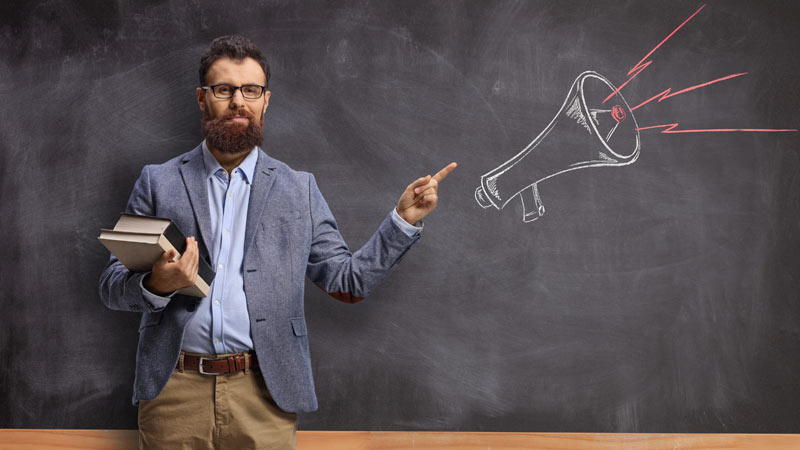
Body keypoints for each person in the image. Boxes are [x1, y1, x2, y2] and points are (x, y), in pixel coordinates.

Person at [98, 35, 456, 449]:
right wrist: (157, 284)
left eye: (251, 90)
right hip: (173, 393)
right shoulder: (158, 182)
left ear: (265, 101)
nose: (238, 101)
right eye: (224, 89)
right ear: (202, 98)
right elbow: (112, 285)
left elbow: (348, 281)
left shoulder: (299, 190)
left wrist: (402, 221)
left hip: (265, 393)